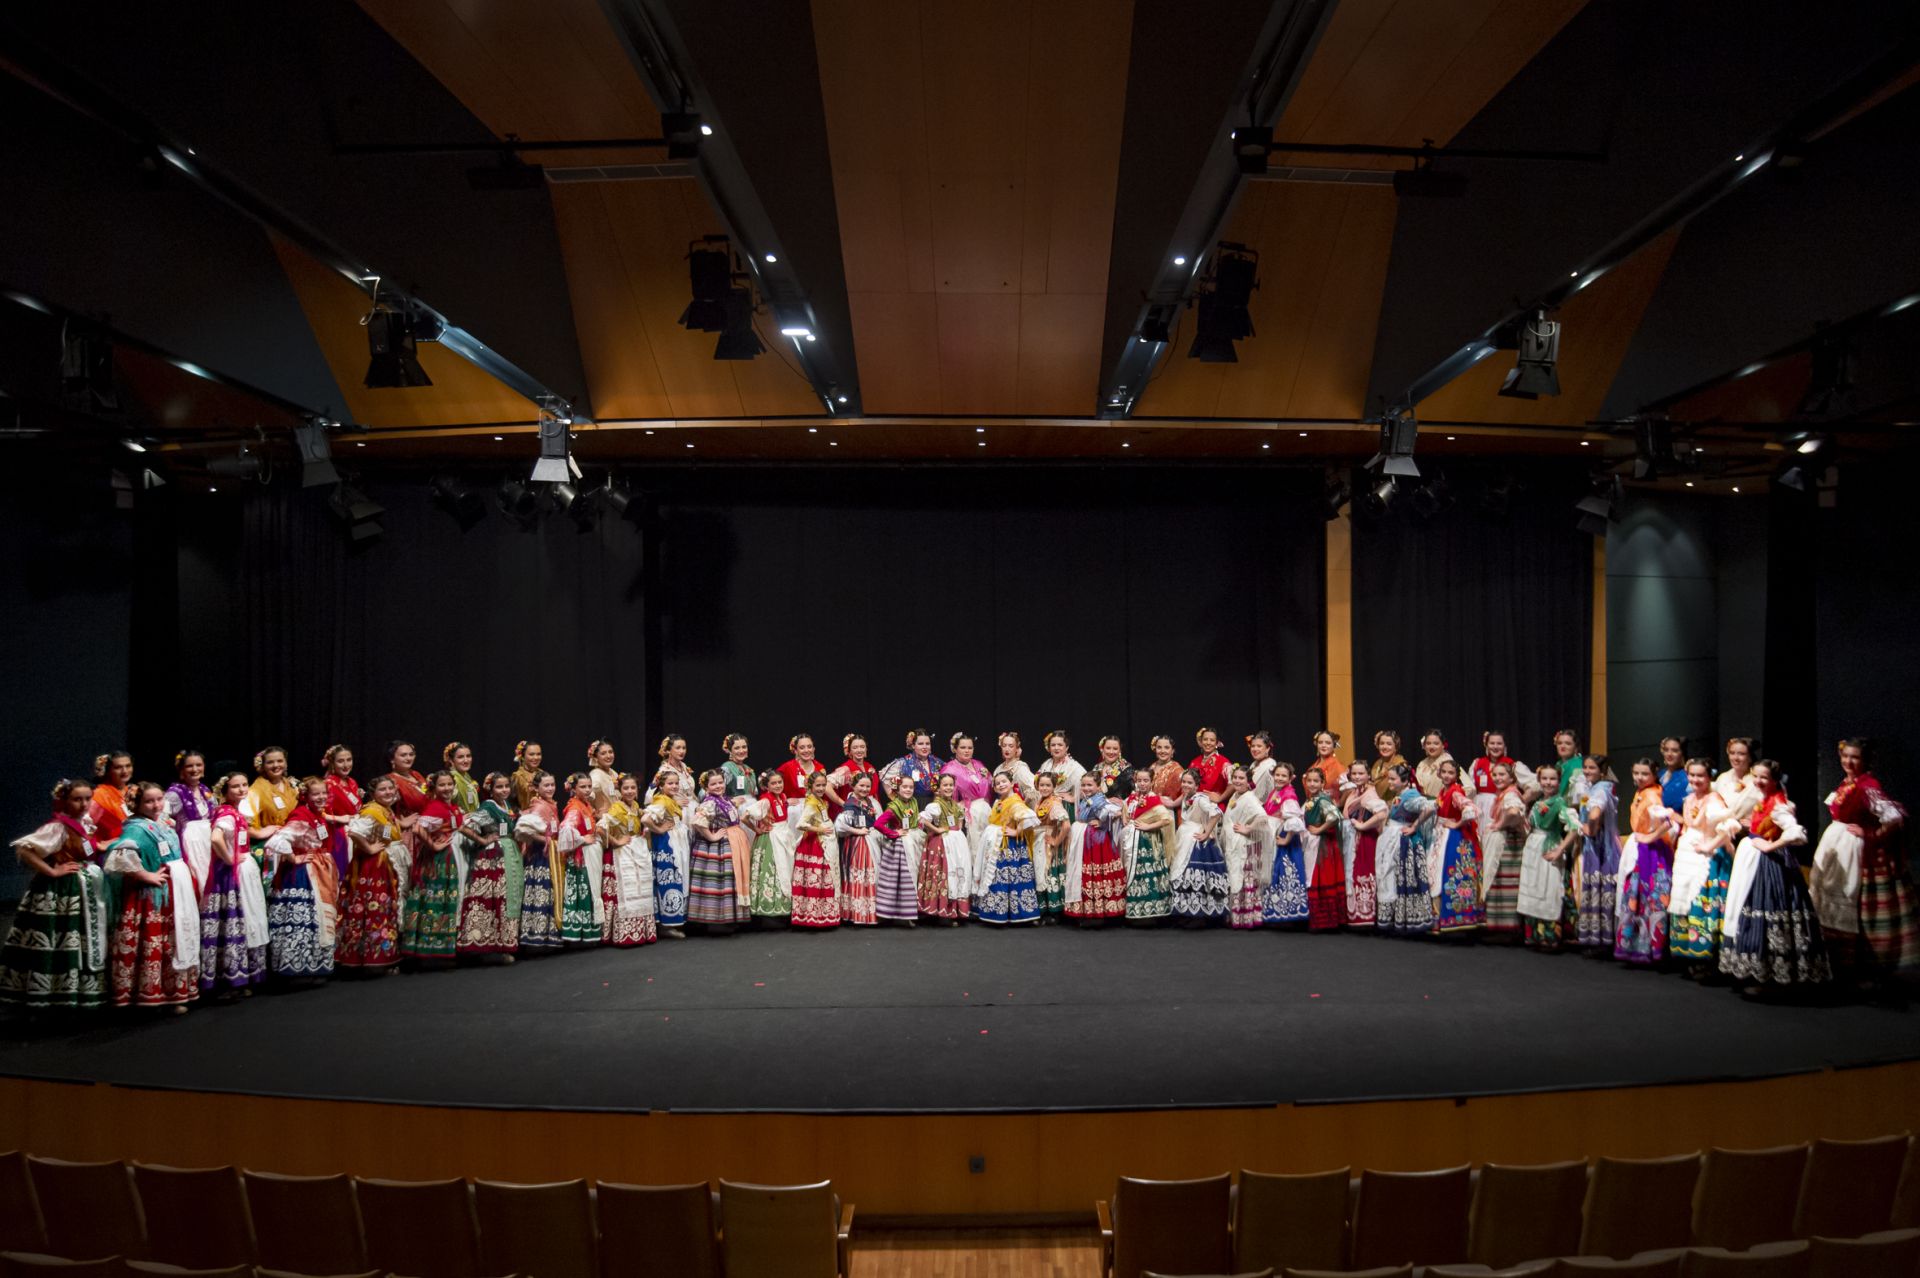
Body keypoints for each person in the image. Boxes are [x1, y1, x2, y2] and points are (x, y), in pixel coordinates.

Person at [1810, 738, 1916, 988]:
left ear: (1865, 760)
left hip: (1857, 854)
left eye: (1854, 757)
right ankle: (1840, 964)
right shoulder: (1848, 783)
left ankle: (1864, 969)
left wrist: (1870, 834)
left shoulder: (1868, 785)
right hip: (1837, 849)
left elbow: (1894, 819)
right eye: (1845, 756)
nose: (1848, 761)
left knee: (1860, 908)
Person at [1721, 759, 1829, 996]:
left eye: (1764, 778)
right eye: (1756, 776)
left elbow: (1796, 832)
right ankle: (1756, 972)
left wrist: (1771, 847)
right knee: (1746, 908)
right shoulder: (1765, 799)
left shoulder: (1779, 803)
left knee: (1768, 911)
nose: (1759, 781)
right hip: (1752, 857)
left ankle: (1769, 976)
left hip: (1769, 864)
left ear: (1774, 780)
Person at [1, 778, 109, 1011]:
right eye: (77, 799)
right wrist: (52, 870)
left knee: (81, 941)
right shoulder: (59, 827)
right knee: (59, 941)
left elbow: (89, 846)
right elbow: (24, 849)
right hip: (61, 893)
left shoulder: (84, 822)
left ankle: (79, 995)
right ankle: (49, 998)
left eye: (87, 799)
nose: (83, 804)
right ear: (65, 801)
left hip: (83, 889)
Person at [103, 781, 198, 1011]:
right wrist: (145, 875)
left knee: (173, 942)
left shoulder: (164, 824)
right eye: (149, 801)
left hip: (174, 892)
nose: (156, 805)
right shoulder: (136, 828)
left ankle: (175, 993)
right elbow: (119, 857)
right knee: (154, 941)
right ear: (138, 803)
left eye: (159, 799)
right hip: (151, 897)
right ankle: (150, 993)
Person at [201, 772, 268, 996]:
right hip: (231, 874)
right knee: (234, 920)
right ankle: (230, 978)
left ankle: (243, 975)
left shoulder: (236, 813)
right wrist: (229, 859)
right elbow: (216, 838)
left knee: (247, 917)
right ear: (225, 791)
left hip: (242, 869)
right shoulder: (226, 813)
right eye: (235, 787)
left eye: (244, 785)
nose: (241, 790)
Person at [1670, 759, 1740, 975]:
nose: (1695, 780)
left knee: (1704, 903)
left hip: (1707, 860)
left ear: (1709, 777)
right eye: (1691, 775)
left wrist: (1709, 845)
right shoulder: (1690, 798)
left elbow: (1729, 827)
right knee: (1686, 902)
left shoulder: (1714, 799)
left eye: (1700, 776)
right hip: (1687, 856)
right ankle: (1688, 954)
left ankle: (1707, 958)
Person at [266, 776, 338, 982]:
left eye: (324, 793)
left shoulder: (318, 816)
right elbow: (277, 841)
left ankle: (315, 966)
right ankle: (297, 969)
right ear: (306, 795)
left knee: (318, 920)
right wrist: (294, 857)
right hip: (304, 874)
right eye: (316, 794)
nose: (321, 797)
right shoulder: (301, 816)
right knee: (304, 918)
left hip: (320, 869)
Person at [1612, 758, 1677, 967]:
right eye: (1636, 773)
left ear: (1654, 774)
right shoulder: (1641, 792)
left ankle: (1651, 948)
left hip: (1652, 852)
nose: (1639, 778)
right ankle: (1637, 946)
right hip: (1640, 847)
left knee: (1651, 897)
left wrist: (1649, 837)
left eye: (1644, 774)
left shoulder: (1652, 795)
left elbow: (1667, 822)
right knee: (1635, 895)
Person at [336, 775, 404, 974]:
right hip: (371, 867)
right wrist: (370, 848)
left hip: (383, 863)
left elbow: (384, 833)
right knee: (372, 907)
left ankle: (382, 956)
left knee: (383, 907)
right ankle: (367, 958)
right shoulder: (372, 810)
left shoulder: (385, 810)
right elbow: (354, 832)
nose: (388, 793)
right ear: (373, 793)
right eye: (383, 790)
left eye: (390, 789)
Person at [403, 771, 466, 962]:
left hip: (450, 857)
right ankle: (428, 949)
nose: (446, 788)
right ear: (434, 788)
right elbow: (418, 828)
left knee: (447, 898)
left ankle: (442, 947)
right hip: (438, 860)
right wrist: (433, 844)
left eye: (449, 784)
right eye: (442, 785)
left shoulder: (451, 807)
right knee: (434, 900)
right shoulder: (436, 807)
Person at [1517, 765, 1581, 953]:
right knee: (1534, 887)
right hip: (1533, 847)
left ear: (1559, 781)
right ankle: (1534, 934)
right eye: (1544, 779)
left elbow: (1574, 828)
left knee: (1549, 889)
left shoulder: (1560, 803)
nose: (1548, 783)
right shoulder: (1537, 802)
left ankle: (1550, 935)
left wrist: (1559, 849)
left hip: (1548, 845)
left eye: (1552, 779)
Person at [456, 772, 521, 957]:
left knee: (506, 900)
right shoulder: (487, 806)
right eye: (499, 787)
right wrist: (483, 840)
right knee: (492, 900)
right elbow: (464, 826)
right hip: (493, 858)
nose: (504, 790)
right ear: (491, 790)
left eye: (506, 786)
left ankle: (505, 944)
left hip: (509, 854)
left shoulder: (507, 805)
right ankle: (484, 945)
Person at [975, 771, 1041, 926]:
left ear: (1012, 783)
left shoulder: (1015, 802)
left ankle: (1018, 914)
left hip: (1009, 847)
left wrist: (1017, 831)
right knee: (1000, 878)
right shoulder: (999, 802)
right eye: (997, 783)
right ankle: (997, 912)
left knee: (1011, 878)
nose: (1001, 785)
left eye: (1004, 781)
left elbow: (1028, 817)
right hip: (999, 845)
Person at [1376, 764, 1435, 935]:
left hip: (1404, 842)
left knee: (1404, 878)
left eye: (1393, 779)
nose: (1390, 782)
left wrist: (1415, 826)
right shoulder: (1401, 795)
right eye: (1389, 778)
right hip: (1394, 838)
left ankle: (1409, 920)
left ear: (1404, 780)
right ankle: (1396, 919)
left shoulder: (1410, 796)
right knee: (1392, 878)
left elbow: (1429, 807)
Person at [1065, 772, 1126, 925]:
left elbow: (1115, 811)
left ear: (1098, 787)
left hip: (1094, 840)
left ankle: (1098, 914)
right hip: (1085, 838)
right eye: (1083, 785)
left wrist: (1102, 821)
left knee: (1095, 874)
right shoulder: (1087, 799)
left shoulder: (1098, 800)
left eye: (1089, 785)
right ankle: (1089, 911)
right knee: (1086, 874)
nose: (1086, 788)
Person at [514, 771, 565, 953]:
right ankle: (535, 937)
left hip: (551, 856)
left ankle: (549, 937)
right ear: (536, 788)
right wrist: (547, 841)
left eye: (552, 785)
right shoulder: (539, 807)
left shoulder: (550, 805)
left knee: (550, 895)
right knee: (540, 893)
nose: (550, 788)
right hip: (540, 858)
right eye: (546, 785)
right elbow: (524, 831)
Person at [1171, 770, 1230, 926]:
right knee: (1184, 876)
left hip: (1195, 840)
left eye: (1190, 783)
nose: (1186, 785)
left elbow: (1216, 813)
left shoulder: (1200, 798)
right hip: (1185, 836)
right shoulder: (1186, 797)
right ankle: (1187, 913)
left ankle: (1200, 916)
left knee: (1197, 877)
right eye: (1184, 782)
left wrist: (1206, 833)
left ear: (1196, 785)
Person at [687, 769, 743, 932]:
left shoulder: (723, 799)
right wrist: (711, 837)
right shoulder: (709, 802)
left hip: (729, 843)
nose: (718, 786)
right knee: (716, 880)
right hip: (715, 848)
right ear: (706, 787)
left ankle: (728, 917)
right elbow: (698, 821)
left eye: (720, 782)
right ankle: (714, 920)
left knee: (728, 880)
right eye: (713, 784)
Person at [1433, 759, 1485, 935]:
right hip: (1443, 836)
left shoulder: (1455, 792)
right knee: (1442, 875)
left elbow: (1471, 810)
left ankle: (1457, 919)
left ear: (1456, 776)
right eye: (1444, 772)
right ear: (1439, 773)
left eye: (1451, 773)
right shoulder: (1443, 791)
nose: (1447, 775)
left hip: (1454, 839)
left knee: (1454, 874)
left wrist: (1457, 823)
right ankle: (1445, 919)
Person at [1575, 755, 1621, 952]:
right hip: (1599, 845)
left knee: (1599, 890)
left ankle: (1601, 940)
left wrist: (1591, 828)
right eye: (1585, 767)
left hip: (1600, 848)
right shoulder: (1596, 788)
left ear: (1602, 771)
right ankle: (1600, 938)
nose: (1587, 771)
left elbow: (1595, 812)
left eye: (1591, 768)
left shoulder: (1601, 790)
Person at [1480, 762, 1530, 939]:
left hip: (1508, 845)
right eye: (1495, 775)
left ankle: (1507, 929)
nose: (1498, 778)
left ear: (1511, 778)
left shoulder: (1510, 794)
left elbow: (1514, 812)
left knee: (1504, 883)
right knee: (1498, 883)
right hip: (1504, 843)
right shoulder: (1503, 793)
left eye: (1502, 775)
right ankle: (1499, 927)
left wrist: (1500, 824)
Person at [551, 774, 601, 947]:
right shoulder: (574, 807)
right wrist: (582, 839)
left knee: (588, 890)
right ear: (574, 789)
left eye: (589, 786)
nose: (587, 790)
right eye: (583, 787)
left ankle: (587, 932)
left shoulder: (585, 805)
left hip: (589, 856)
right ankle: (578, 934)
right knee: (581, 892)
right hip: (581, 858)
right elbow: (565, 829)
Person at [1223, 764, 1274, 930]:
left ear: (1248, 781)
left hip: (1246, 846)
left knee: (1245, 879)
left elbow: (1263, 818)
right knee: (1237, 878)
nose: (1237, 781)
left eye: (1241, 778)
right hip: (1235, 845)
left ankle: (1248, 916)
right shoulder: (1236, 796)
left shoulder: (1250, 799)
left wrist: (1248, 829)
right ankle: (1238, 916)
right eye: (1235, 777)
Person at [641, 766, 689, 939]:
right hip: (667, 845)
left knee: (676, 878)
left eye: (676, 783)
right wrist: (659, 829)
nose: (674, 786)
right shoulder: (661, 801)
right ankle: (668, 924)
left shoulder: (670, 800)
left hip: (675, 842)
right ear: (661, 786)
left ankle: (675, 920)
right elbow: (646, 819)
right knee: (670, 879)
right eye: (670, 784)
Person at [1121, 769, 1175, 924]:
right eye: (1139, 780)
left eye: (1145, 781)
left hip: (1148, 842)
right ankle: (1135, 912)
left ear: (1152, 782)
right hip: (1132, 841)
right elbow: (1125, 809)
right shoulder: (1133, 797)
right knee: (1135, 874)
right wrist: (1126, 819)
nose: (1142, 784)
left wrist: (1147, 826)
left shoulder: (1153, 799)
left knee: (1147, 874)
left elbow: (1166, 819)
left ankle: (1152, 914)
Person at [790, 771, 842, 929]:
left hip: (824, 842)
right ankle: (812, 915)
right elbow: (800, 824)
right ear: (810, 786)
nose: (821, 788)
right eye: (817, 785)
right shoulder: (812, 803)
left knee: (825, 878)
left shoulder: (820, 800)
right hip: (816, 845)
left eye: (823, 785)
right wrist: (818, 829)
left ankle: (822, 914)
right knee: (819, 878)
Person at [917, 773, 971, 923]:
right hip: (942, 842)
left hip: (956, 841)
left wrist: (957, 832)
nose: (948, 788)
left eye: (950, 785)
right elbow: (923, 820)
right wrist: (937, 829)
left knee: (957, 872)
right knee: (943, 872)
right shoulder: (935, 805)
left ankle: (956, 910)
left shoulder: (955, 805)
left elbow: (959, 822)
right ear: (938, 788)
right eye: (945, 785)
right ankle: (941, 909)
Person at [746, 770, 797, 924]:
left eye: (779, 782)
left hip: (784, 835)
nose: (777, 786)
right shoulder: (765, 800)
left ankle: (783, 909)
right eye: (773, 783)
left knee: (785, 871)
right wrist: (757, 829)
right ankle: (767, 911)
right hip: (772, 838)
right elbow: (745, 816)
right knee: (772, 871)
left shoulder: (782, 797)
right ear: (766, 786)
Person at [1261, 766, 1309, 927]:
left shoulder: (1288, 795)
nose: (1280, 778)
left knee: (1286, 874)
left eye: (1284, 776)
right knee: (1278, 876)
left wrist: (1286, 840)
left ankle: (1289, 916)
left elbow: (1295, 821)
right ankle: (1279, 913)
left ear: (1290, 778)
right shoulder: (1275, 792)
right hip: (1275, 835)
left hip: (1284, 839)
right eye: (1277, 775)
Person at [1342, 761, 1387, 929]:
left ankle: (1367, 915)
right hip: (1353, 839)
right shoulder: (1354, 792)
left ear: (1368, 775)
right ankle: (1355, 915)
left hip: (1365, 840)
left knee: (1364, 873)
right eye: (1354, 774)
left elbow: (1382, 813)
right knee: (1353, 874)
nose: (1357, 777)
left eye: (1361, 774)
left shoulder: (1369, 795)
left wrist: (1362, 826)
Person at [165, 751, 216, 896]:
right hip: (190, 844)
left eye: (198, 765)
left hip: (208, 843)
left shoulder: (205, 791)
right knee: (199, 880)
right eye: (189, 766)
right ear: (181, 771)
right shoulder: (175, 793)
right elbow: (160, 817)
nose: (195, 769)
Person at [1302, 765, 1346, 931]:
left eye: (1316, 781)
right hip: (1313, 844)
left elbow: (1335, 816)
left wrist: (1319, 829)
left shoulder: (1322, 799)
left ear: (1322, 783)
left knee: (1321, 878)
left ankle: (1325, 921)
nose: (1312, 784)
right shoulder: (1311, 799)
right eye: (1309, 781)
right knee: (1313, 877)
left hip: (1322, 846)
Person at [835, 773, 882, 925]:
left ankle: (871, 913)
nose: (864, 789)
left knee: (871, 875)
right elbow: (840, 826)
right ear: (853, 786)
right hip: (858, 844)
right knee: (861, 875)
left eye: (868, 786)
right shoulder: (850, 804)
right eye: (861, 786)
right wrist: (858, 831)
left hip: (870, 840)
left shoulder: (870, 801)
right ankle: (858, 914)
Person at [873, 774, 921, 926]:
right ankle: (890, 913)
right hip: (900, 848)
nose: (908, 790)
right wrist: (894, 833)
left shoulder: (913, 802)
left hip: (913, 840)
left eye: (911, 787)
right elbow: (878, 824)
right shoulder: (894, 807)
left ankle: (911, 912)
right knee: (898, 880)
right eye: (904, 787)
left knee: (914, 876)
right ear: (897, 789)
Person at [1030, 771, 1072, 920]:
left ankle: (1054, 910)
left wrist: (1056, 841)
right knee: (1041, 872)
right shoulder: (1040, 800)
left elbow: (1066, 825)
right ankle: (1044, 908)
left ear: (1054, 786)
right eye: (1042, 785)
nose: (1044, 788)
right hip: (1038, 840)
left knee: (1048, 872)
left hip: (1047, 842)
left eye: (1048, 785)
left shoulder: (1054, 803)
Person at [320, 745, 361, 883]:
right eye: (340, 761)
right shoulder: (328, 784)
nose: (346, 765)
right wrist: (341, 819)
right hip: (338, 833)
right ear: (332, 763)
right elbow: (320, 813)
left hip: (355, 831)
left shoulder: (352, 782)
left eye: (349, 760)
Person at [246, 747, 299, 844]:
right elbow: (244, 825)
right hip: (272, 844)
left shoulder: (292, 785)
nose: (276, 765)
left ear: (286, 763)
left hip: (296, 839)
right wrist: (260, 833)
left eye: (280, 761)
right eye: (270, 762)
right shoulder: (255, 791)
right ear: (263, 766)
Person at [881, 729, 943, 803]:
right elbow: (888, 780)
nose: (925, 747)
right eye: (920, 744)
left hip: (934, 804)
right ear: (913, 745)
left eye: (927, 744)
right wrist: (896, 799)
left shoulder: (937, 762)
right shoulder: (903, 763)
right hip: (913, 804)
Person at [828, 733, 882, 816]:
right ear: (850, 751)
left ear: (866, 749)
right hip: (856, 809)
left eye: (862, 747)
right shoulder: (846, 769)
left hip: (873, 807)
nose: (859, 750)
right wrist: (844, 803)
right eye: (855, 747)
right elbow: (827, 786)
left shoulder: (869, 767)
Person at [940, 733, 995, 809]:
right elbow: (945, 798)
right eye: (963, 747)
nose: (967, 751)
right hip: (965, 814)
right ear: (955, 749)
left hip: (986, 811)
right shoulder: (948, 769)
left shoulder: (979, 764)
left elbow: (991, 784)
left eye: (970, 748)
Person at [777, 734, 828, 810]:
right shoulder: (787, 767)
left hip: (815, 810)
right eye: (802, 748)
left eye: (809, 747)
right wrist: (784, 801)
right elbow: (770, 786)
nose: (806, 750)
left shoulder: (820, 767)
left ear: (813, 749)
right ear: (796, 750)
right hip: (795, 812)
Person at [1188, 728, 1231, 806]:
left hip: (1213, 807)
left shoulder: (1223, 762)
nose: (1208, 743)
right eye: (1205, 739)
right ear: (1201, 742)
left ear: (1217, 743)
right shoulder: (1194, 762)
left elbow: (1233, 784)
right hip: (1194, 806)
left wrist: (1220, 798)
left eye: (1212, 740)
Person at [1039, 732, 1087, 802]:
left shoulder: (1074, 767)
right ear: (1049, 748)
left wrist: (1074, 798)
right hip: (1043, 802)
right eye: (1053, 745)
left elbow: (1087, 787)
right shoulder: (1046, 764)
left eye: (1060, 745)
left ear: (1067, 747)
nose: (1056, 748)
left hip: (1062, 805)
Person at [1414, 730, 1457, 800]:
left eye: (1436, 743)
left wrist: (1448, 800)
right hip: (1422, 805)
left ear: (1443, 745)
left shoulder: (1448, 763)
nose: (1431, 747)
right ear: (1424, 746)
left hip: (1440, 806)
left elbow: (1469, 788)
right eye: (1428, 743)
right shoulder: (1422, 764)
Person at [1089, 735, 1136, 800]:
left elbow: (1131, 795)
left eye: (1115, 749)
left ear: (1120, 751)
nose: (1111, 752)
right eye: (1108, 748)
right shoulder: (1097, 767)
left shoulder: (1127, 769)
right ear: (1102, 749)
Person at [1145, 735, 1184, 806]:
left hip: (1168, 812)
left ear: (1172, 751)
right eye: (1159, 747)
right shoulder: (1152, 766)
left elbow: (1187, 792)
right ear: (1155, 749)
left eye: (1166, 748)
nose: (1162, 751)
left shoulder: (1177, 770)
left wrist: (1173, 804)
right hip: (1151, 809)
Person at [1368, 731, 1406, 800]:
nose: (1384, 747)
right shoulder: (1377, 763)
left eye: (1389, 744)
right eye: (1382, 743)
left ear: (1396, 747)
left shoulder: (1400, 765)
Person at [1656, 737, 1690, 814]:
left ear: (1682, 753)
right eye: (1666, 750)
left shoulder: (1687, 777)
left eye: (1675, 751)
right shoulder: (1660, 774)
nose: (1669, 754)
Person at [445, 743, 481, 815]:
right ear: (451, 761)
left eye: (468, 756)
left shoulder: (466, 776)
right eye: (460, 757)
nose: (466, 760)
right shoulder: (451, 779)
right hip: (459, 824)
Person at [587, 740, 620, 812]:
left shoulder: (613, 773)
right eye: (603, 753)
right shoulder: (595, 775)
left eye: (610, 752)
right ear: (596, 758)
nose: (608, 756)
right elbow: (588, 798)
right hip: (604, 819)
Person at [510, 741, 544, 811]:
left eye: (538, 754)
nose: (536, 757)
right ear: (522, 756)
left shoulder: (543, 774)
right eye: (531, 754)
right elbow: (512, 803)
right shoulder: (517, 776)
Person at [1245, 732, 1278, 802]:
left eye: (1259, 746)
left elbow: (1274, 794)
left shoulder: (1271, 767)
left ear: (1267, 749)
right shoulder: (1253, 764)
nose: (1255, 749)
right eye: (1253, 746)